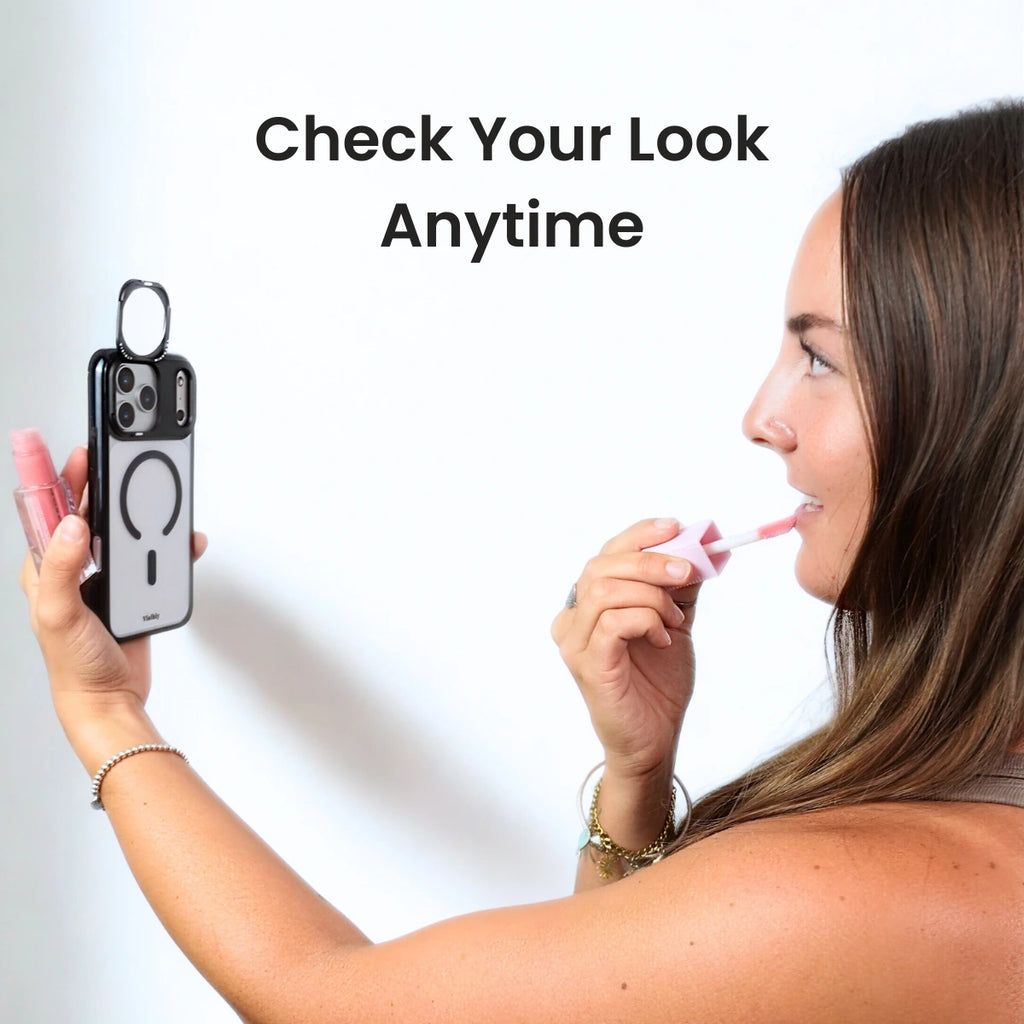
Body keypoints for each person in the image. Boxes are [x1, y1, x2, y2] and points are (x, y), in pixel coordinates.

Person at [20, 99, 1024, 1022]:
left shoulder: (852, 897)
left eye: (819, 357)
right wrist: (635, 782)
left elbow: (321, 1001)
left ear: (982, 406)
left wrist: (104, 710)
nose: (761, 416)